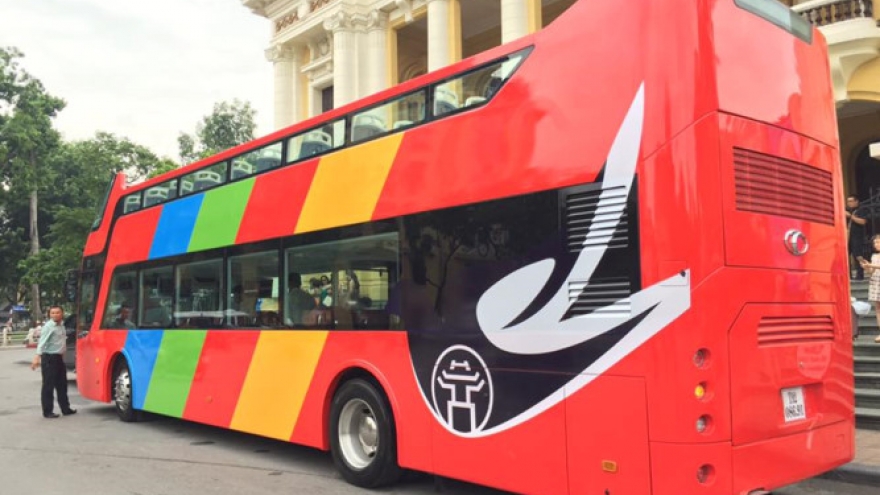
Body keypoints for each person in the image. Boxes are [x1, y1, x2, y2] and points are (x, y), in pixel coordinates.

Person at [30, 306, 76, 418]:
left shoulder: (61, 326)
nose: (55, 315)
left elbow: (62, 340)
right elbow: (42, 342)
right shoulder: (49, 327)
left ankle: (65, 408)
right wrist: (37, 357)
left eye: (57, 312)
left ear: (62, 314)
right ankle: (47, 411)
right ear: (49, 315)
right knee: (48, 385)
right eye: (52, 313)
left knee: (62, 384)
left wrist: (63, 352)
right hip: (49, 358)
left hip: (58, 358)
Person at [859, 234, 880, 343]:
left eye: (878, 242)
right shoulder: (874, 256)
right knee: (878, 308)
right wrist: (867, 267)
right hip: (876, 282)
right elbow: (871, 272)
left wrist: (872, 266)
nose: (876, 244)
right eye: (875, 243)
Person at [846, 196, 870, 280]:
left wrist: (851, 216)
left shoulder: (861, 210)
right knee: (845, 256)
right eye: (848, 201)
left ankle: (860, 275)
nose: (849, 203)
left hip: (857, 237)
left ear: (857, 201)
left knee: (857, 255)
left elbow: (863, 222)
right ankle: (848, 275)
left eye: (851, 201)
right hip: (848, 237)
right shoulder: (848, 211)